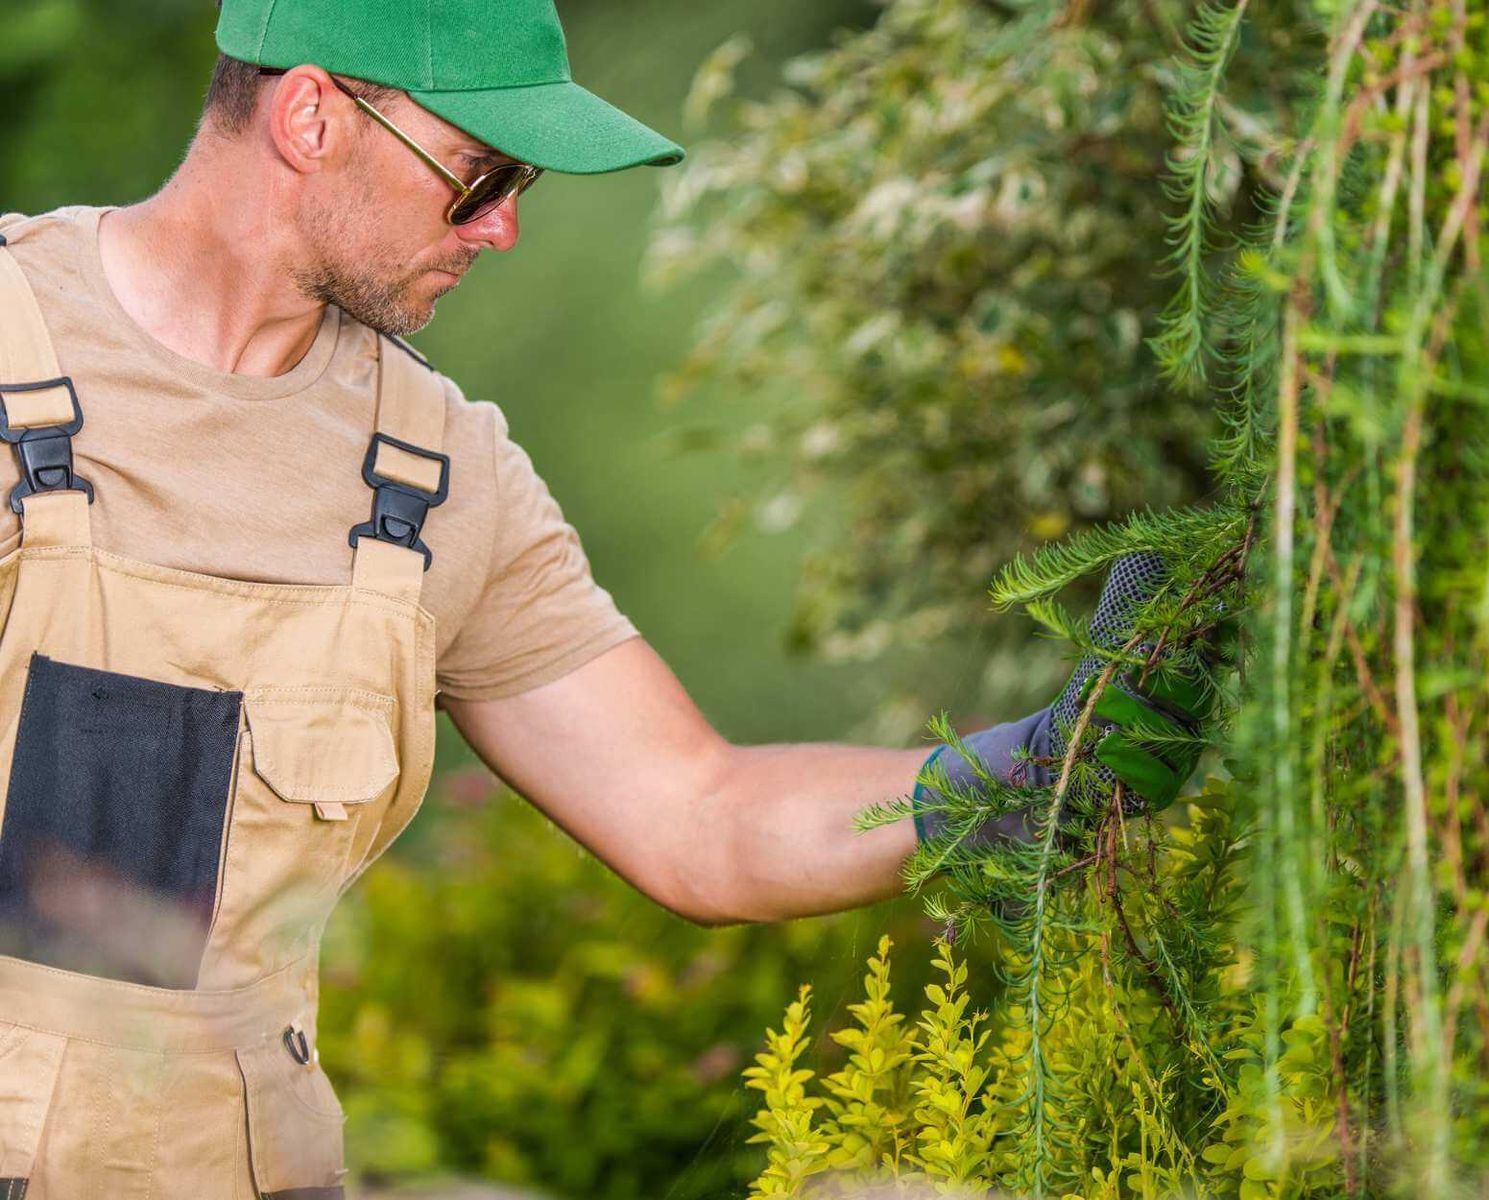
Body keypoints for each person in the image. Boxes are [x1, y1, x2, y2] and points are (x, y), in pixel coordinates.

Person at [0, 1, 1206, 1195]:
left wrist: (1029, 770)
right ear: (313, 115)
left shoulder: (433, 476)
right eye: (479, 174)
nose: (504, 229)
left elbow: (702, 816)